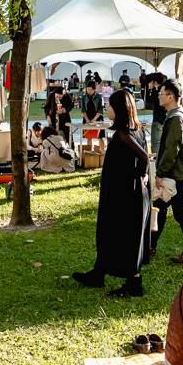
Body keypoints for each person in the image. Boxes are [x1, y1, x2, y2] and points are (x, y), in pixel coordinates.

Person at [71, 89, 153, 297]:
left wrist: (143, 174)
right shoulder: (137, 129)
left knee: (126, 235)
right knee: (109, 232)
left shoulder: (124, 134)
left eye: (110, 105)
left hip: (126, 194)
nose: (107, 108)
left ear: (119, 109)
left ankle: (134, 283)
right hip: (122, 191)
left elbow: (144, 157)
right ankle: (98, 273)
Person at [154, 80, 183, 263]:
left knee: (180, 214)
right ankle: (150, 246)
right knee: (160, 208)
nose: (158, 96)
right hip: (176, 172)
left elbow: (172, 148)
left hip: (177, 174)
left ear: (171, 97)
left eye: (161, 93)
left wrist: (161, 172)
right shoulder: (176, 114)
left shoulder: (176, 118)